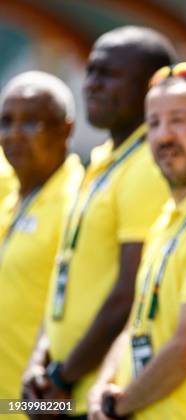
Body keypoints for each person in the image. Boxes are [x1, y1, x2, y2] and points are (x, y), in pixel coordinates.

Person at [23, 26, 176, 418]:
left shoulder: (148, 167)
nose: (91, 84)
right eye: (90, 71)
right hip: (60, 386)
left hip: (93, 393)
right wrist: (42, 361)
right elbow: (70, 277)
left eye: (108, 74)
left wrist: (62, 376)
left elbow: (130, 293)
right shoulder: (105, 159)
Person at [86, 62, 186, 420]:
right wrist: (102, 386)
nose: (163, 136)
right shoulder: (166, 218)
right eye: (153, 124)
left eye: (178, 120)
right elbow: (136, 323)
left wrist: (119, 405)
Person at [0, 72, 83, 407]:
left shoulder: (78, 201)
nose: (15, 135)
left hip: (40, 404)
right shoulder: (12, 197)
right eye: (6, 122)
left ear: (66, 129)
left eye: (32, 123)